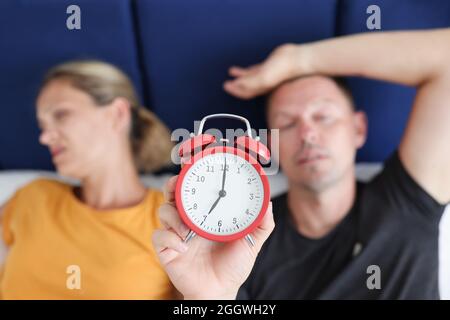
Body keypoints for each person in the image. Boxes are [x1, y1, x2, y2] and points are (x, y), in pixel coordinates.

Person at [153, 28, 450, 299]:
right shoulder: (241, 241)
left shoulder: (408, 202)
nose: (308, 134)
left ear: (358, 129)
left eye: (323, 116)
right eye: (288, 123)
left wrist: (299, 60)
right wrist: (209, 297)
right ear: (269, 146)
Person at [0, 60, 174, 299]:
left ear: (117, 114)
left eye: (60, 115)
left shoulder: (169, 216)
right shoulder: (31, 197)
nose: (45, 138)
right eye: (42, 126)